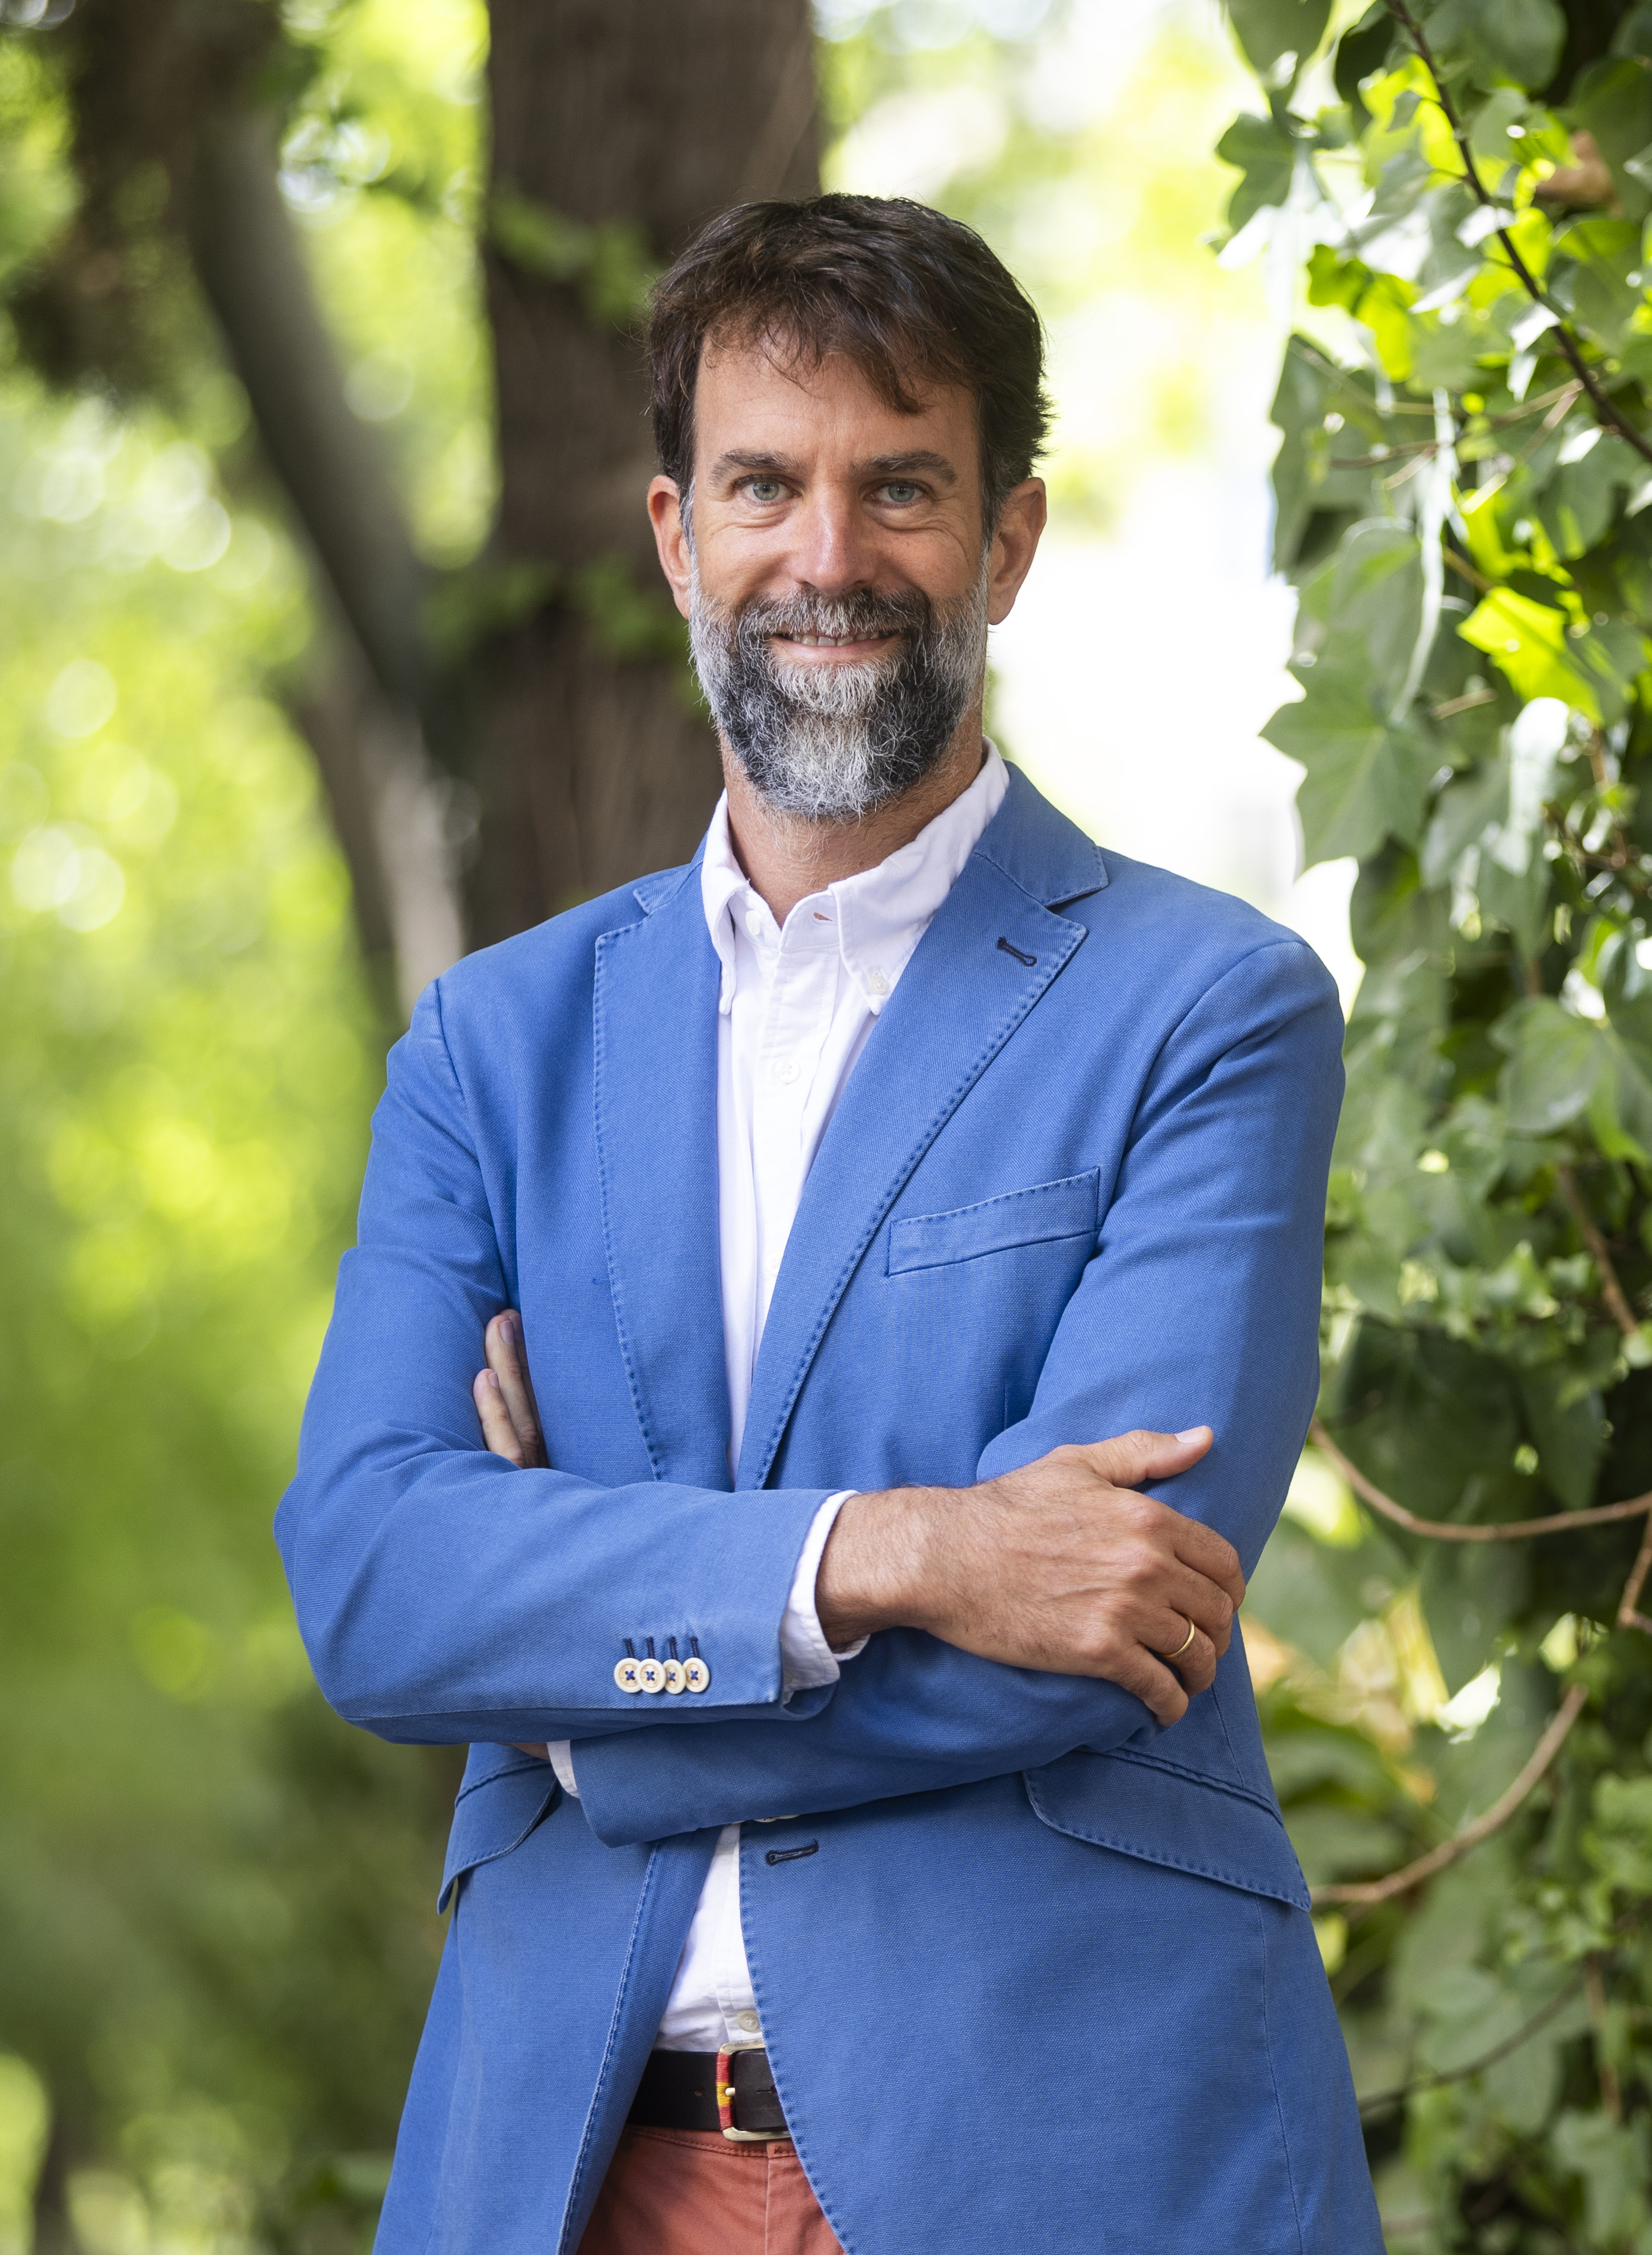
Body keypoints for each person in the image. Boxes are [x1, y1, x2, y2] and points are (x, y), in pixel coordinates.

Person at [275, 194, 1379, 2254]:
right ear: (677, 537)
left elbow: (1103, 1629)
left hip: (1063, 2155)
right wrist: (906, 1550)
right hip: (568, 2170)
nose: (829, 556)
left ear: (1010, 539)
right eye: (765, 485)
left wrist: (579, 1692)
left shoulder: (1209, 1010)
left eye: (904, 487)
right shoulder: (491, 1048)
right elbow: (373, 1576)